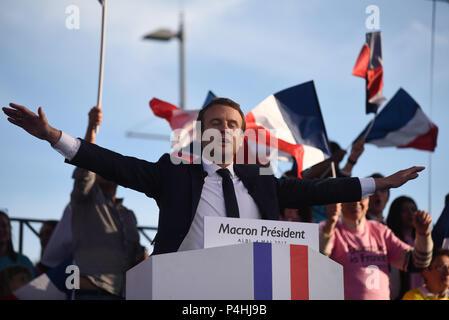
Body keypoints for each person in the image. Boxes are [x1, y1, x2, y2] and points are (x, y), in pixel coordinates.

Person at [2, 99, 426, 255]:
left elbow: (318, 187)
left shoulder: (261, 179)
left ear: (242, 135)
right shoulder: (172, 174)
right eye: (216, 123)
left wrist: (379, 184)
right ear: (202, 133)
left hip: (251, 294)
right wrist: (54, 137)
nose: (224, 129)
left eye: (232, 124)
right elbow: (115, 164)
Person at [68, 106, 143, 300]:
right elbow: (84, 166)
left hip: (124, 293)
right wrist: (91, 127)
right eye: (99, 165)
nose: (105, 168)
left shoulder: (128, 215)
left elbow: (135, 256)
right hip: (92, 293)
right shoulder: (85, 199)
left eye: (109, 165)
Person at [319, 198, 433, 300]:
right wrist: (330, 223)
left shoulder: (380, 230)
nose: (355, 202)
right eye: (350, 197)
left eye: (361, 197)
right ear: (340, 203)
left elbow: (418, 263)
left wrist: (423, 234)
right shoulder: (329, 228)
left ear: (368, 201)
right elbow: (318, 259)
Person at [386, 196, 425, 299]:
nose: (410, 214)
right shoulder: (390, 240)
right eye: (404, 210)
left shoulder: (422, 242)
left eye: (413, 209)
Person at [0, 210, 35, 278]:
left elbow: (34, 287)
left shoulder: (24, 261)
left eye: (4, 225)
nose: (0, 229)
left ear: (10, 230)